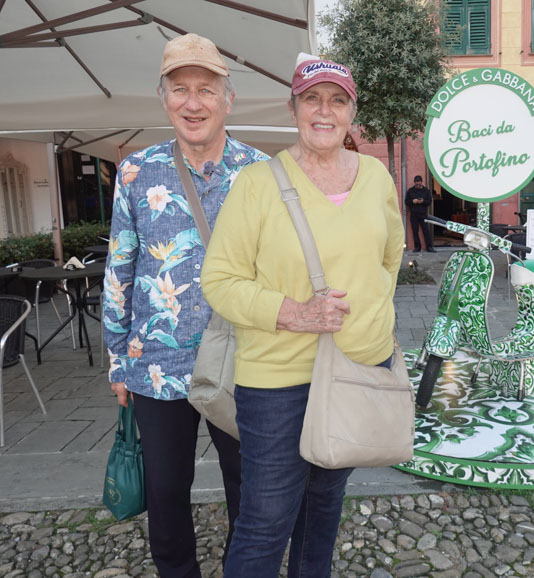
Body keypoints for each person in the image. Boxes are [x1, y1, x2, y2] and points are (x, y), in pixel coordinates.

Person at [200, 55, 404, 576]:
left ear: (352, 112)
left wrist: (372, 322)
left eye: (337, 100)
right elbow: (219, 281)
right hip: (278, 381)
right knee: (265, 519)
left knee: (323, 505)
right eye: (312, 99)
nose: (324, 111)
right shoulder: (255, 184)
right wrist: (295, 313)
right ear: (293, 109)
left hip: (357, 371)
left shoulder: (376, 177)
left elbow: (390, 258)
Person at [102, 33, 268, 577]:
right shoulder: (136, 171)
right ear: (164, 99)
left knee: (248, 482)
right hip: (156, 364)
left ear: (228, 99)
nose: (193, 103)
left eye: (205, 90)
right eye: (180, 89)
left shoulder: (261, 172)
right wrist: (117, 360)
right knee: (166, 488)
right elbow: (120, 270)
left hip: (241, 359)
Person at [405, 175, 435, 252]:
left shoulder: (426, 191)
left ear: (421, 182)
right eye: (416, 184)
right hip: (414, 214)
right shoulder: (410, 191)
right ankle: (417, 247)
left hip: (423, 214)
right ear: (414, 183)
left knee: (426, 231)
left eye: (419, 184)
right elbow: (407, 201)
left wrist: (423, 201)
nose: (418, 185)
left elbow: (429, 201)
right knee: (415, 231)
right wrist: (412, 201)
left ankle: (429, 247)